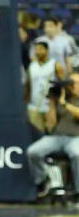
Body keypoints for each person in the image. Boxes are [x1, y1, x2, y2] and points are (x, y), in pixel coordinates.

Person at [26, 72, 79, 203]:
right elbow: (51, 124)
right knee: (33, 151)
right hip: (57, 136)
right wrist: (52, 102)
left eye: (74, 83)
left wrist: (64, 103)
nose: (71, 86)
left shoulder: (66, 101)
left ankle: (78, 191)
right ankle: (42, 180)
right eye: (70, 83)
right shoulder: (63, 97)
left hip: (76, 138)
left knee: (77, 154)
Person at [26, 39, 65, 131]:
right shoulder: (31, 66)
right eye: (36, 50)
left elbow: (64, 85)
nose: (37, 52)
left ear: (47, 50)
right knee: (35, 133)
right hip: (34, 106)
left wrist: (60, 103)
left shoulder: (56, 65)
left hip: (50, 106)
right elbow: (28, 86)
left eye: (40, 49)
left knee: (52, 132)